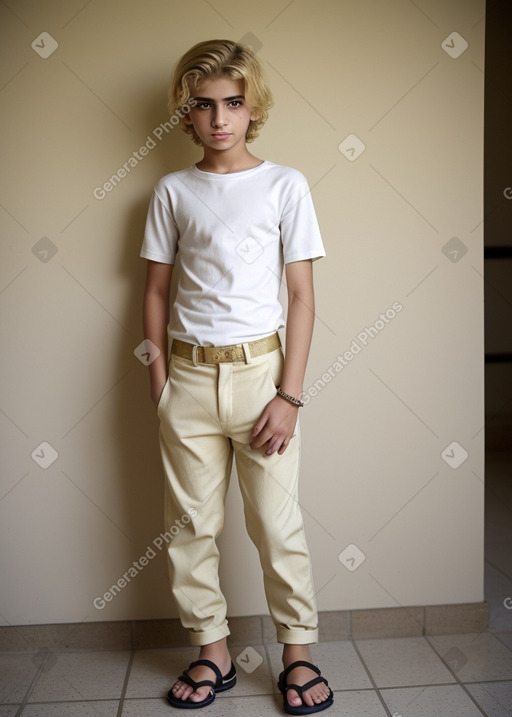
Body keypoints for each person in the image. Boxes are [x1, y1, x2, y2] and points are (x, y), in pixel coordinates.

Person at [141, 39, 333, 714]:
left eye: (233, 102)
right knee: (190, 525)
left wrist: (289, 394)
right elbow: (157, 292)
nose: (219, 118)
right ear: (185, 113)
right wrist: (161, 381)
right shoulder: (172, 190)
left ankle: (298, 654)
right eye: (203, 105)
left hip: (262, 378)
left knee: (277, 526)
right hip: (188, 382)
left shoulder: (286, 184)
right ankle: (211, 650)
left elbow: (303, 298)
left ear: (253, 107)